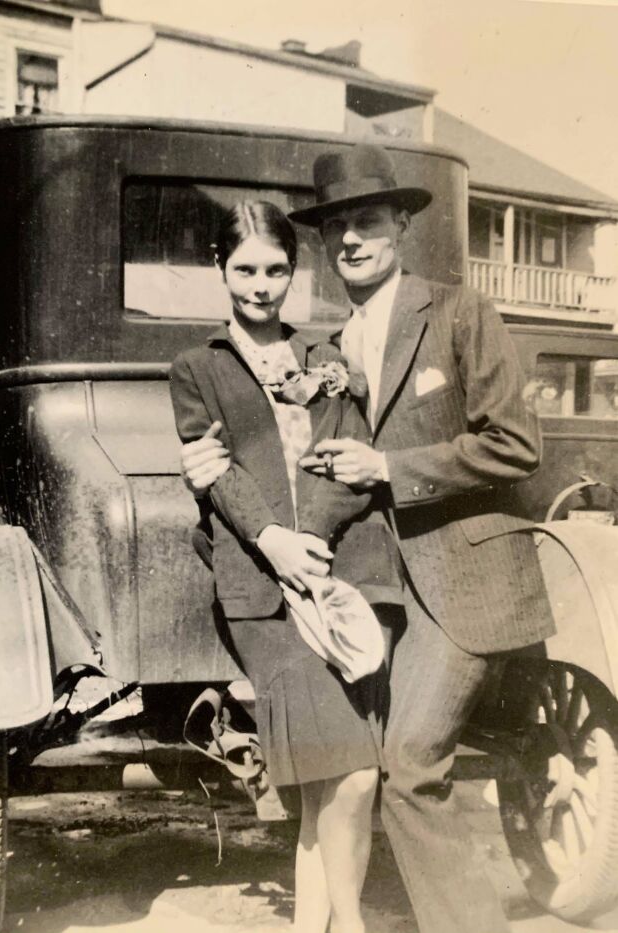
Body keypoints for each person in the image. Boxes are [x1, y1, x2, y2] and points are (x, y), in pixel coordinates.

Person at [180, 146, 556, 933]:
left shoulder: (458, 311)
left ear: (402, 225)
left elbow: (518, 444)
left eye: (369, 221)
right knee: (364, 769)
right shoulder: (333, 350)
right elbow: (317, 465)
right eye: (338, 226)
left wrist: (388, 464)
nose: (352, 239)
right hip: (380, 595)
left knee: (409, 764)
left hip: (467, 580)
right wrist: (258, 520)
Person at [169, 200, 396, 933]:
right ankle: (352, 924)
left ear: (294, 273)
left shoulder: (327, 357)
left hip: (330, 580)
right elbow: (217, 471)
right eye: (244, 269)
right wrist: (273, 539)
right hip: (260, 597)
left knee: (334, 780)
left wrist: (312, 541)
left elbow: (345, 462)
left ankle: (313, 926)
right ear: (220, 268)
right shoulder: (194, 368)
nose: (260, 284)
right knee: (351, 769)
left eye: (275, 269)